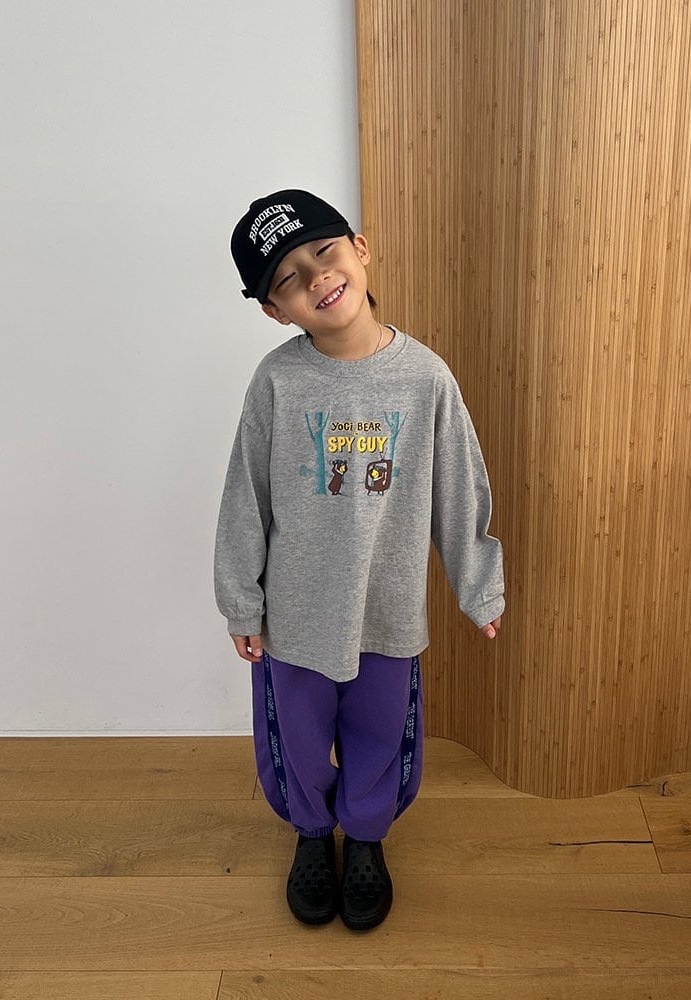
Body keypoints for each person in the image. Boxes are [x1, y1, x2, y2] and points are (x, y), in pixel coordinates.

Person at [215, 188, 505, 931]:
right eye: (289, 279)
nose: (316, 277)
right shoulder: (277, 383)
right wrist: (242, 601)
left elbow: (458, 488)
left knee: (381, 735)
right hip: (297, 617)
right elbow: (246, 496)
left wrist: (478, 585)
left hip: (388, 609)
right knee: (299, 738)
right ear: (274, 311)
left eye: (325, 252)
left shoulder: (426, 378)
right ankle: (313, 834)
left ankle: (368, 838)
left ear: (361, 250)